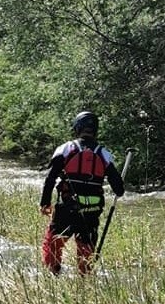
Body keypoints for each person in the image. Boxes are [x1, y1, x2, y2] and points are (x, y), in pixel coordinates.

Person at [40, 111, 125, 275]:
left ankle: (53, 274)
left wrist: (45, 203)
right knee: (86, 247)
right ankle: (84, 279)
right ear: (95, 130)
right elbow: (119, 190)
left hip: (67, 207)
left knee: (53, 243)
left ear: (77, 128)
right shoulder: (104, 154)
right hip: (92, 210)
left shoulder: (66, 149)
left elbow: (50, 178)